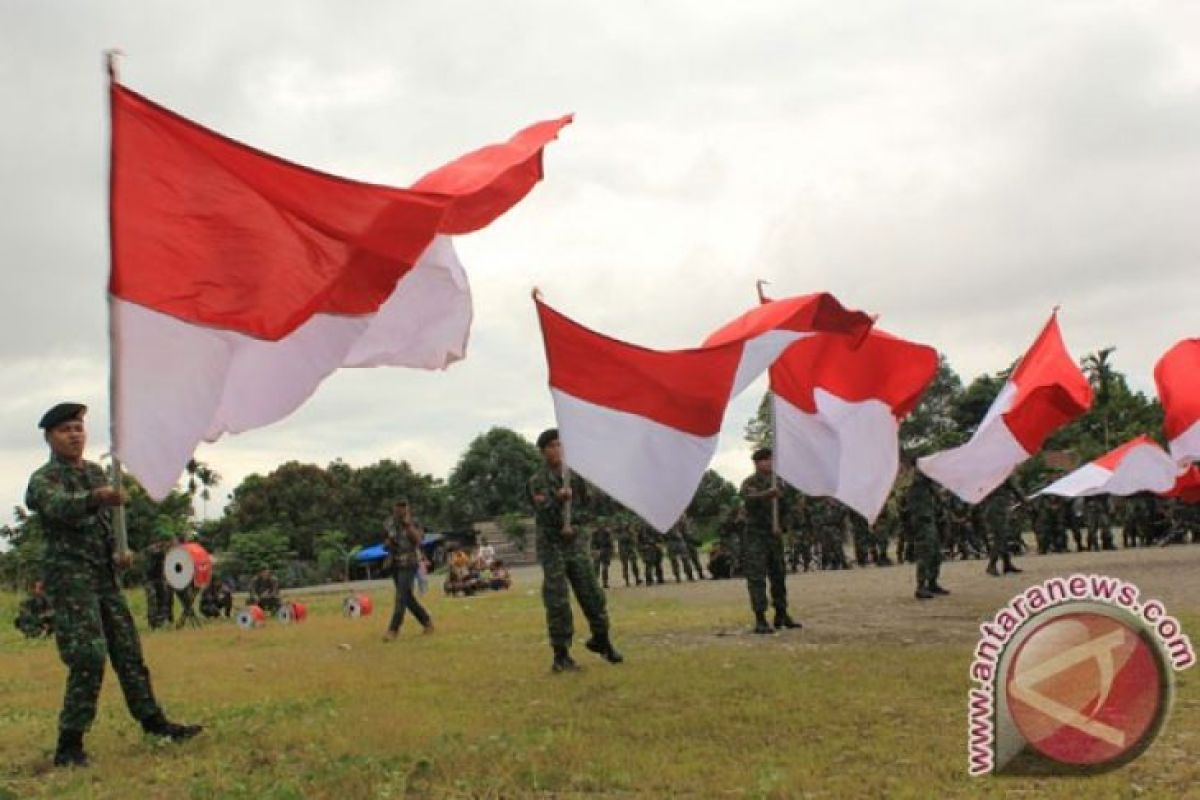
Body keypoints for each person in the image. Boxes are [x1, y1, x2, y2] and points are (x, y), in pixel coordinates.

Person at [25, 402, 201, 767]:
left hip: (103, 575)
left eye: (78, 428)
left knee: (128, 651)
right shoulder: (44, 480)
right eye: (65, 430)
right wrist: (97, 498)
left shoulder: (94, 472)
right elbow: (59, 508)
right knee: (88, 655)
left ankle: (154, 722)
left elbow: (104, 525)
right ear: (49, 437)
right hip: (70, 578)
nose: (74, 434)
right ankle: (69, 744)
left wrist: (121, 551)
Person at [527, 428, 622, 672]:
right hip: (552, 546)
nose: (557, 450)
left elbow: (589, 507)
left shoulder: (575, 478)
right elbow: (543, 512)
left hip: (576, 545)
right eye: (552, 446)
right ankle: (561, 654)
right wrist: (558, 500)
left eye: (560, 445)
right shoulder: (537, 481)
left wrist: (575, 524)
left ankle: (602, 640)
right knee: (557, 599)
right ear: (543, 451)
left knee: (591, 592)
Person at [739, 448, 801, 633]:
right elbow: (748, 499)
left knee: (779, 575)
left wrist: (784, 525)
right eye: (765, 460)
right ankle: (760, 618)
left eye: (771, 460)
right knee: (757, 577)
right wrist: (768, 494)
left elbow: (787, 508)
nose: (769, 463)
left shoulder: (779, 481)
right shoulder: (750, 482)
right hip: (756, 536)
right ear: (757, 463)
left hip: (774, 535)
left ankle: (781, 613)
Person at [382, 499, 434, 641]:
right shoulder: (388, 523)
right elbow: (385, 543)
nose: (400, 510)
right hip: (395, 563)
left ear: (407, 509)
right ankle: (426, 621)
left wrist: (408, 525)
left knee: (400, 597)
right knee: (407, 597)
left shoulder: (414, 522)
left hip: (409, 562)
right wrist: (388, 544)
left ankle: (393, 629)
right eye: (398, 507)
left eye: (403, 507)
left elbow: (418, 540)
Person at [905, 463, 949, 599]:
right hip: (923, 523)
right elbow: (911, 510)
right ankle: (921, 586)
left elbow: (938, 503)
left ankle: (932, 582)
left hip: (931, 522)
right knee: (925, 554)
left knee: (935, 554)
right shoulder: (917, 488)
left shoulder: (929, 488)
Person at [142, 530, 175, 629]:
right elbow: (155, 554)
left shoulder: (166, 551)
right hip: (149, 579)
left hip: (160, 578)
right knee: (152, 599)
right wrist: (165, 550)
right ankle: (153, 623)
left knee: (164, 598)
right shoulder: (152, 549)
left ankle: (162, 620)